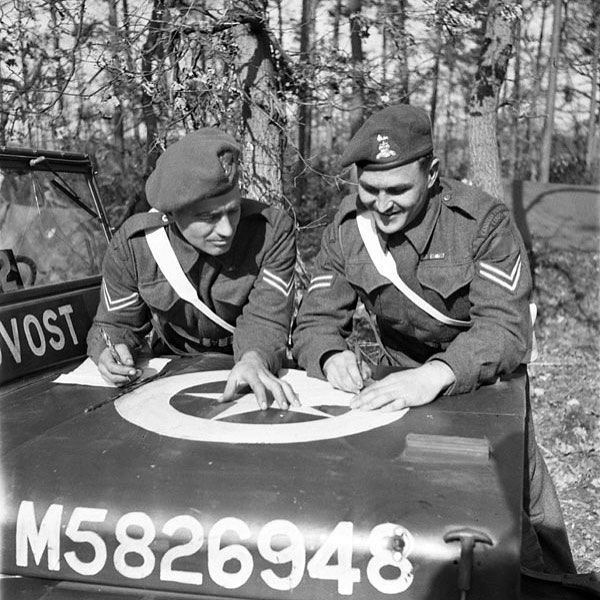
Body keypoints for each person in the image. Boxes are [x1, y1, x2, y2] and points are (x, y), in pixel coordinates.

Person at [292, 104, 575, 574]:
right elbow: (315, 319)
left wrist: (437, 374)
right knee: (403, 514)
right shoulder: (348, 230)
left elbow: (506, 330)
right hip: (398, 388)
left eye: (398, 190)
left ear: (432, 175)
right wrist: (329, 355)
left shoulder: (482, 223)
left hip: (487, 383)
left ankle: (552, 584)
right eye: (370, 190)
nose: (382, 205)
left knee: (520, 511)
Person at [87, 127, 298, 410]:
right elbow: (114, 325)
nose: (225, 229)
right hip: (173, 368)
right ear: (171, 214)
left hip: (250, 363)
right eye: (208, 217)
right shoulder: (135, 246)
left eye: (233, 210)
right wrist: (111, 352)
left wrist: (254, 359)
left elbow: (267, 320)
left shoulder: (270, 233)